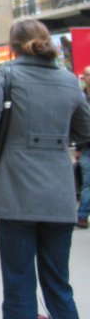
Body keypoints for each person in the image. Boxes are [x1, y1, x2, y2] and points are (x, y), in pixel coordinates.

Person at [0, 19, 90, 319]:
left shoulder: (7, 75)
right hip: (59, 197)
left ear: (13, 47)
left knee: (19, 285)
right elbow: (87, 129)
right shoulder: (68, 80)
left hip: (16, 196)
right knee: (59, 286)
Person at [79, 66, 90, 229]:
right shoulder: (80, 97)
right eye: (87, 75)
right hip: (87, 147)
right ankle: (82, 215)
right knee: (88, 183)